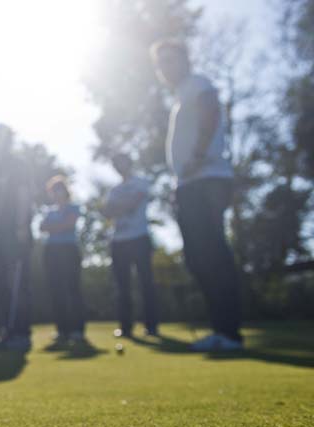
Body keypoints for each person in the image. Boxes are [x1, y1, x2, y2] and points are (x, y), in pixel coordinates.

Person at [151, 39, 242, 351]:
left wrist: (200, 153)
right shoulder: (180, 97)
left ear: (185, 60)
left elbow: (211, 111)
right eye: (160, 63)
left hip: (206, 180)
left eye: (170, 59)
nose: (165, 67)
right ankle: (221, 329)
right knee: (198, 257)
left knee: (213, 253)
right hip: (189, 185)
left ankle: (230, 333)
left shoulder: (197, 84)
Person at [0, 124, 33, 351]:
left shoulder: (17, 164)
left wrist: (22, 224)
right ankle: (4, 328)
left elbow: (24, 194)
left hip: (15, 229)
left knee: (18, 283)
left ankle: (20, 333)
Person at [101, 153, 159, 338]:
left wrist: (117, 207)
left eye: (121, 162)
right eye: (115, 163)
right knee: (122, 285)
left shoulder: (141, 182)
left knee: (146, 283)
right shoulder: (114, 189)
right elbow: (106, 212)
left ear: (129, 163)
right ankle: (125, 327)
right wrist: (120, 206)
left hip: (140, 237)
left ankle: (151, 326)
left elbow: (132, 205)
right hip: (118, 241)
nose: (119, 166)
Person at [40, 176, 85, 344]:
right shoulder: (49, 211)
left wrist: (54, 228)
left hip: (69, 251)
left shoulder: (73, 207)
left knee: (73, 289)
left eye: (59, 188)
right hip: (51, 252)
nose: (56, 192)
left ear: (65, 190)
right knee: (56, 291)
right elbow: (42, 227)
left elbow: (69, 224)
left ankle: (78, 330)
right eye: (54, 190)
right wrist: (57, 227)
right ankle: (62, 330)